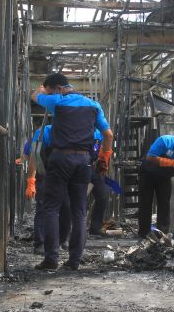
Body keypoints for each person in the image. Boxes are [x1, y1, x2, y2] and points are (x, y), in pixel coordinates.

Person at [31, 73, 113, 270]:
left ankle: (51, 259)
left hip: (61, 158)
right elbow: (108, 134)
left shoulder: (57, 101)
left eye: (51, 90)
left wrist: (41, 90)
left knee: (51, 207)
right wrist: (104, 158)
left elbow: (35, 96)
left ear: (58, 88)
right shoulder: (94, 105)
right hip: (84, 160)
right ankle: (74, 261)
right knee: (80, 212)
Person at [24, 124, 71, 254]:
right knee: (43, 206)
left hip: (65, 173)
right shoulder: (43, 132)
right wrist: (31, 181)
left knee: (67, 206)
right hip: (45, 172)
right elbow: (33, 155)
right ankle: (41, 242)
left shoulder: (73, 130)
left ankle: (63, 240)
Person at [88, 128, 109, 236]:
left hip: (94, 166)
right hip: (81, 165)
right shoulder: (78, 127)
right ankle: (70, 229)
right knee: (78, 198)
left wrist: (103, 161)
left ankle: (95, 228)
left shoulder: (99, 132)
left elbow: (101, 148)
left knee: (102, 196)